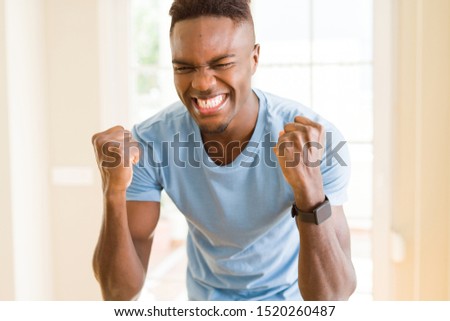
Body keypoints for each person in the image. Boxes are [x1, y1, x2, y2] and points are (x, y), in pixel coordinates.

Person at [91, 0, 356, 301]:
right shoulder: (151, 141)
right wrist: (113, 192)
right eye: (185, 67)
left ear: (254, 59)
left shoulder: (318, 143)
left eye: (222, 64)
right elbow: (118, 293)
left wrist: (310, 195)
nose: (202, 83)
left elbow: (332, 299)